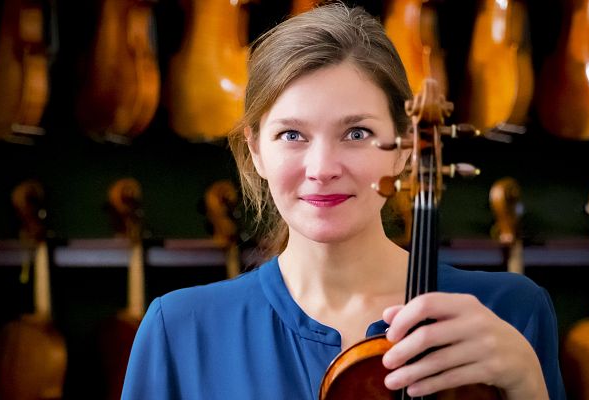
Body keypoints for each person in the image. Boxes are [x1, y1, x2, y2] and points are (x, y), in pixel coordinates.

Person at [121, 3, 566, 399]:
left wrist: (528, 385)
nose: (322, 168)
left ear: (405, 147)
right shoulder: (178, 329)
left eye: (356, 133)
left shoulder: (508, 312)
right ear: (256, 150)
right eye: (291, 135)